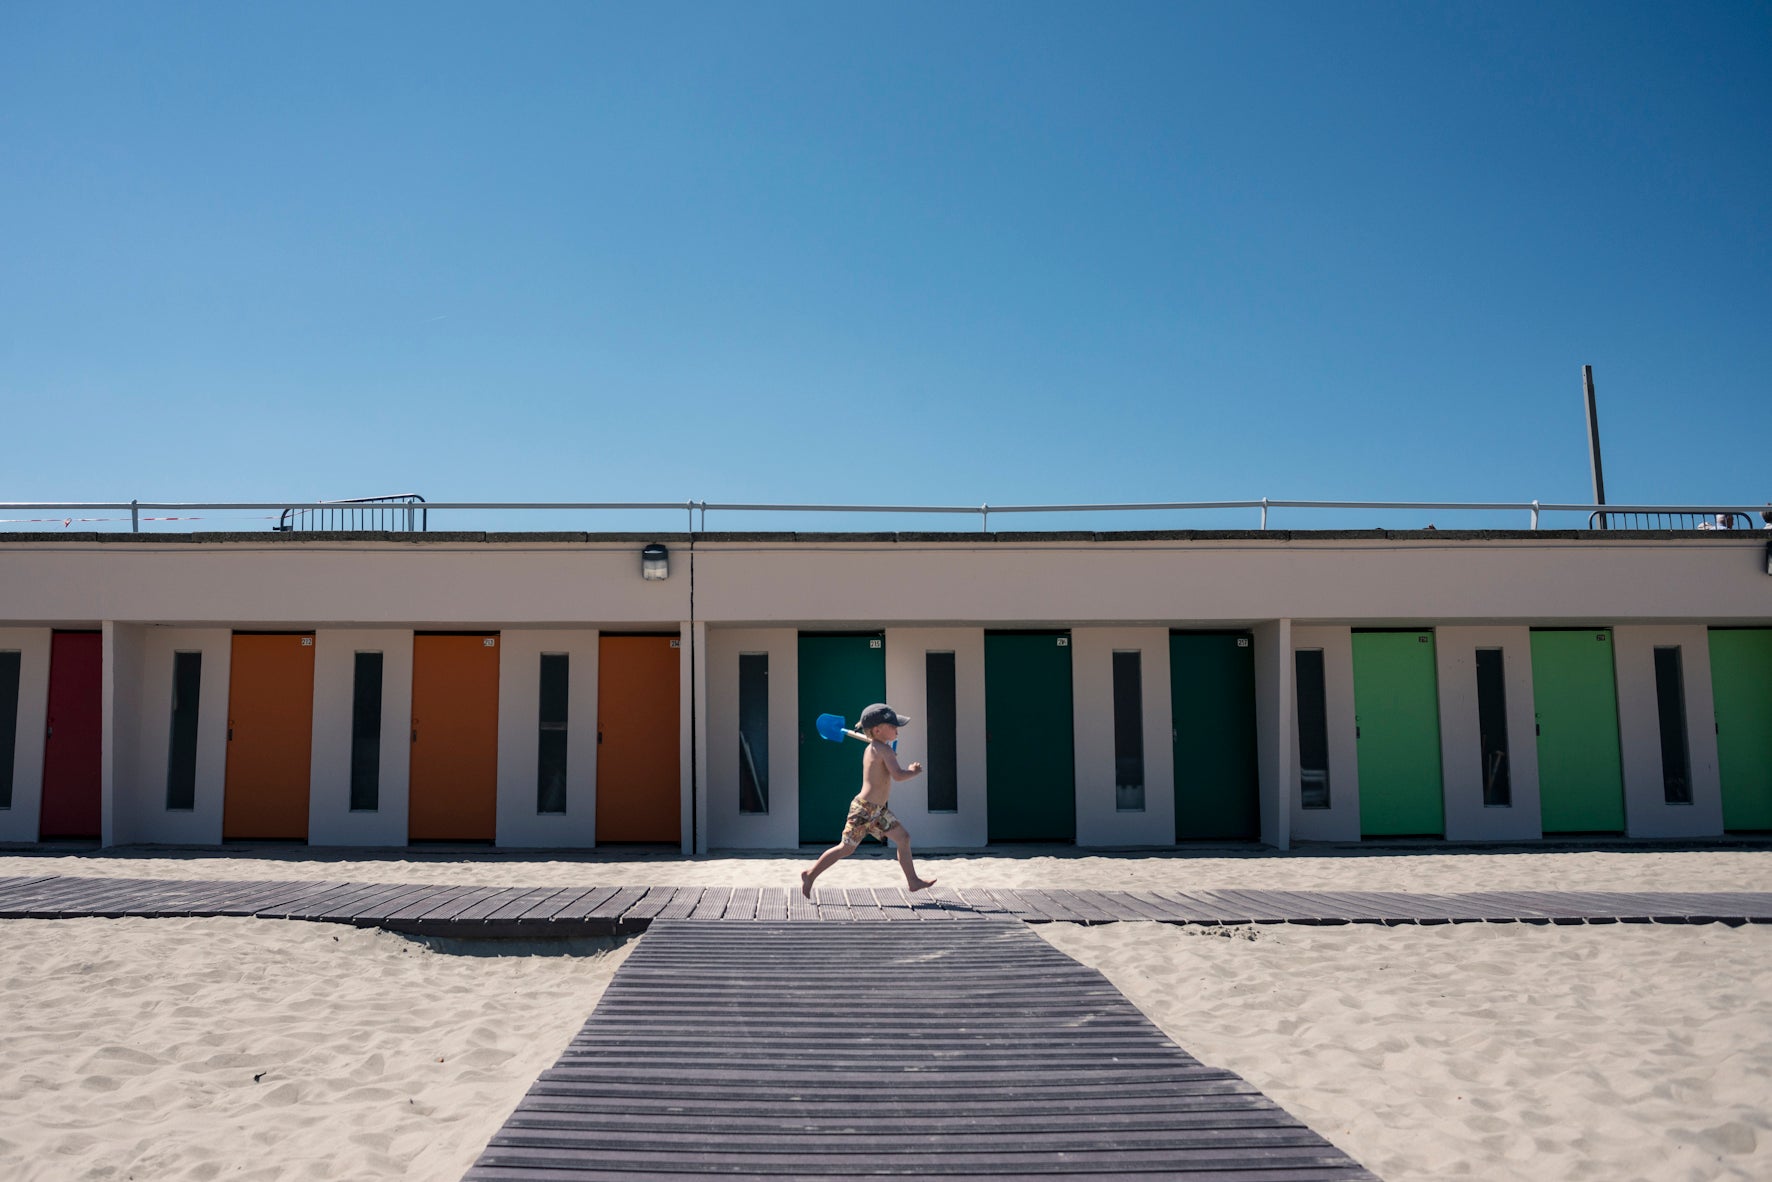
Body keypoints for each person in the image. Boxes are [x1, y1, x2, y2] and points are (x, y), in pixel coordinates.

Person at [800, 703, 937, 897]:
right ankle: (810, 875)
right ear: (877, 730)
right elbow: (897, 775)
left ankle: (912, 881)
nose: (897, 730)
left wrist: (889, 754)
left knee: (903, 838)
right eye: (893, 726)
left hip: (878, 810)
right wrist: (913, 772)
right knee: (846, 848)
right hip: (864, 809)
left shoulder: (875, 748)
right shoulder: (883, 750)